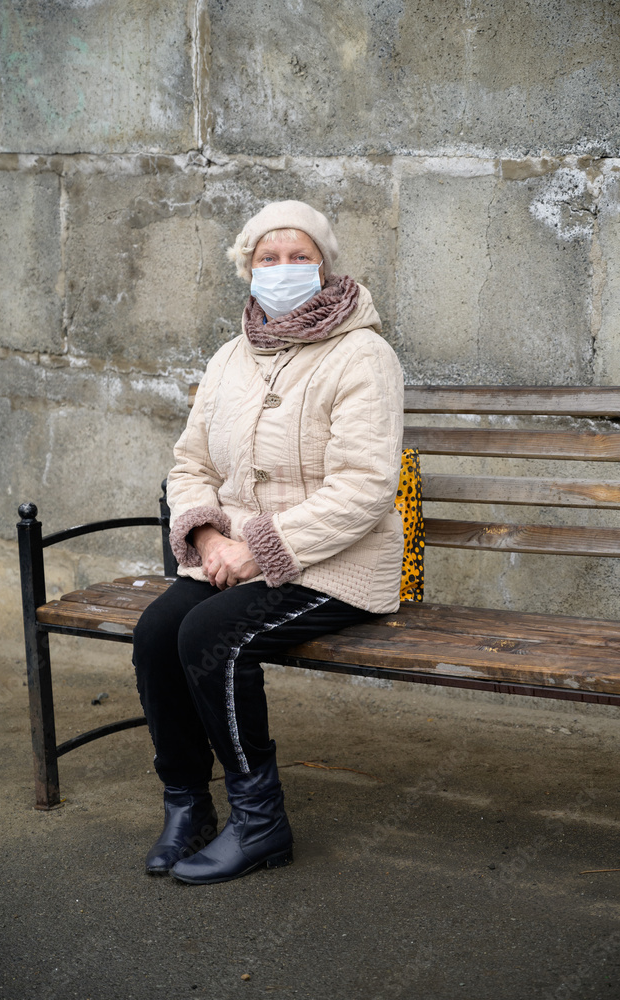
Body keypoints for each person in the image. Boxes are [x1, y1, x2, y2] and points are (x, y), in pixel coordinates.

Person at [133, 200, 404, 886]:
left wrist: (255, 548)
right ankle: (187, 806)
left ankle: (259, 823)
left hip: (336, 564)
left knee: (209, 637)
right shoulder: (231, 357)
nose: (283, 269)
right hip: (234, 557)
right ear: (246, 270)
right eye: (267, 258)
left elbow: (365, 487)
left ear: (324, 264)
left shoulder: (362, 354)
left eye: (299, 255)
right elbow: (190, 460)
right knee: (158, 631)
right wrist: (201, 529)